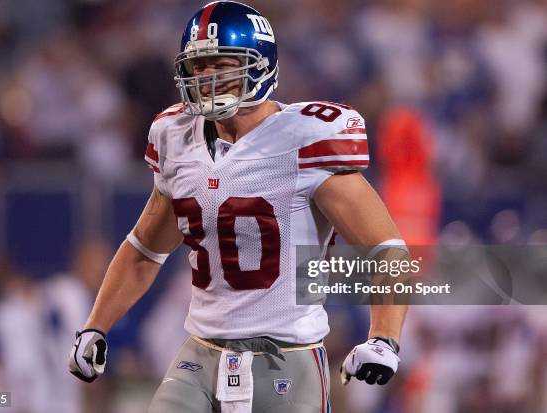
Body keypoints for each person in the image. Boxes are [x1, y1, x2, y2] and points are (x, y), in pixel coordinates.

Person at [68, 2, 408, 412]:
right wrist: (95, 327)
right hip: (200, 352)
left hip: (288, 355)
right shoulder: (175, 136)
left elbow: (385, 249)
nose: (207, 78)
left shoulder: (305, 138)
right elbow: (144, 250)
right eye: (199, 67)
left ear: (261, 66)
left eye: (222, 64)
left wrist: (383, 337)